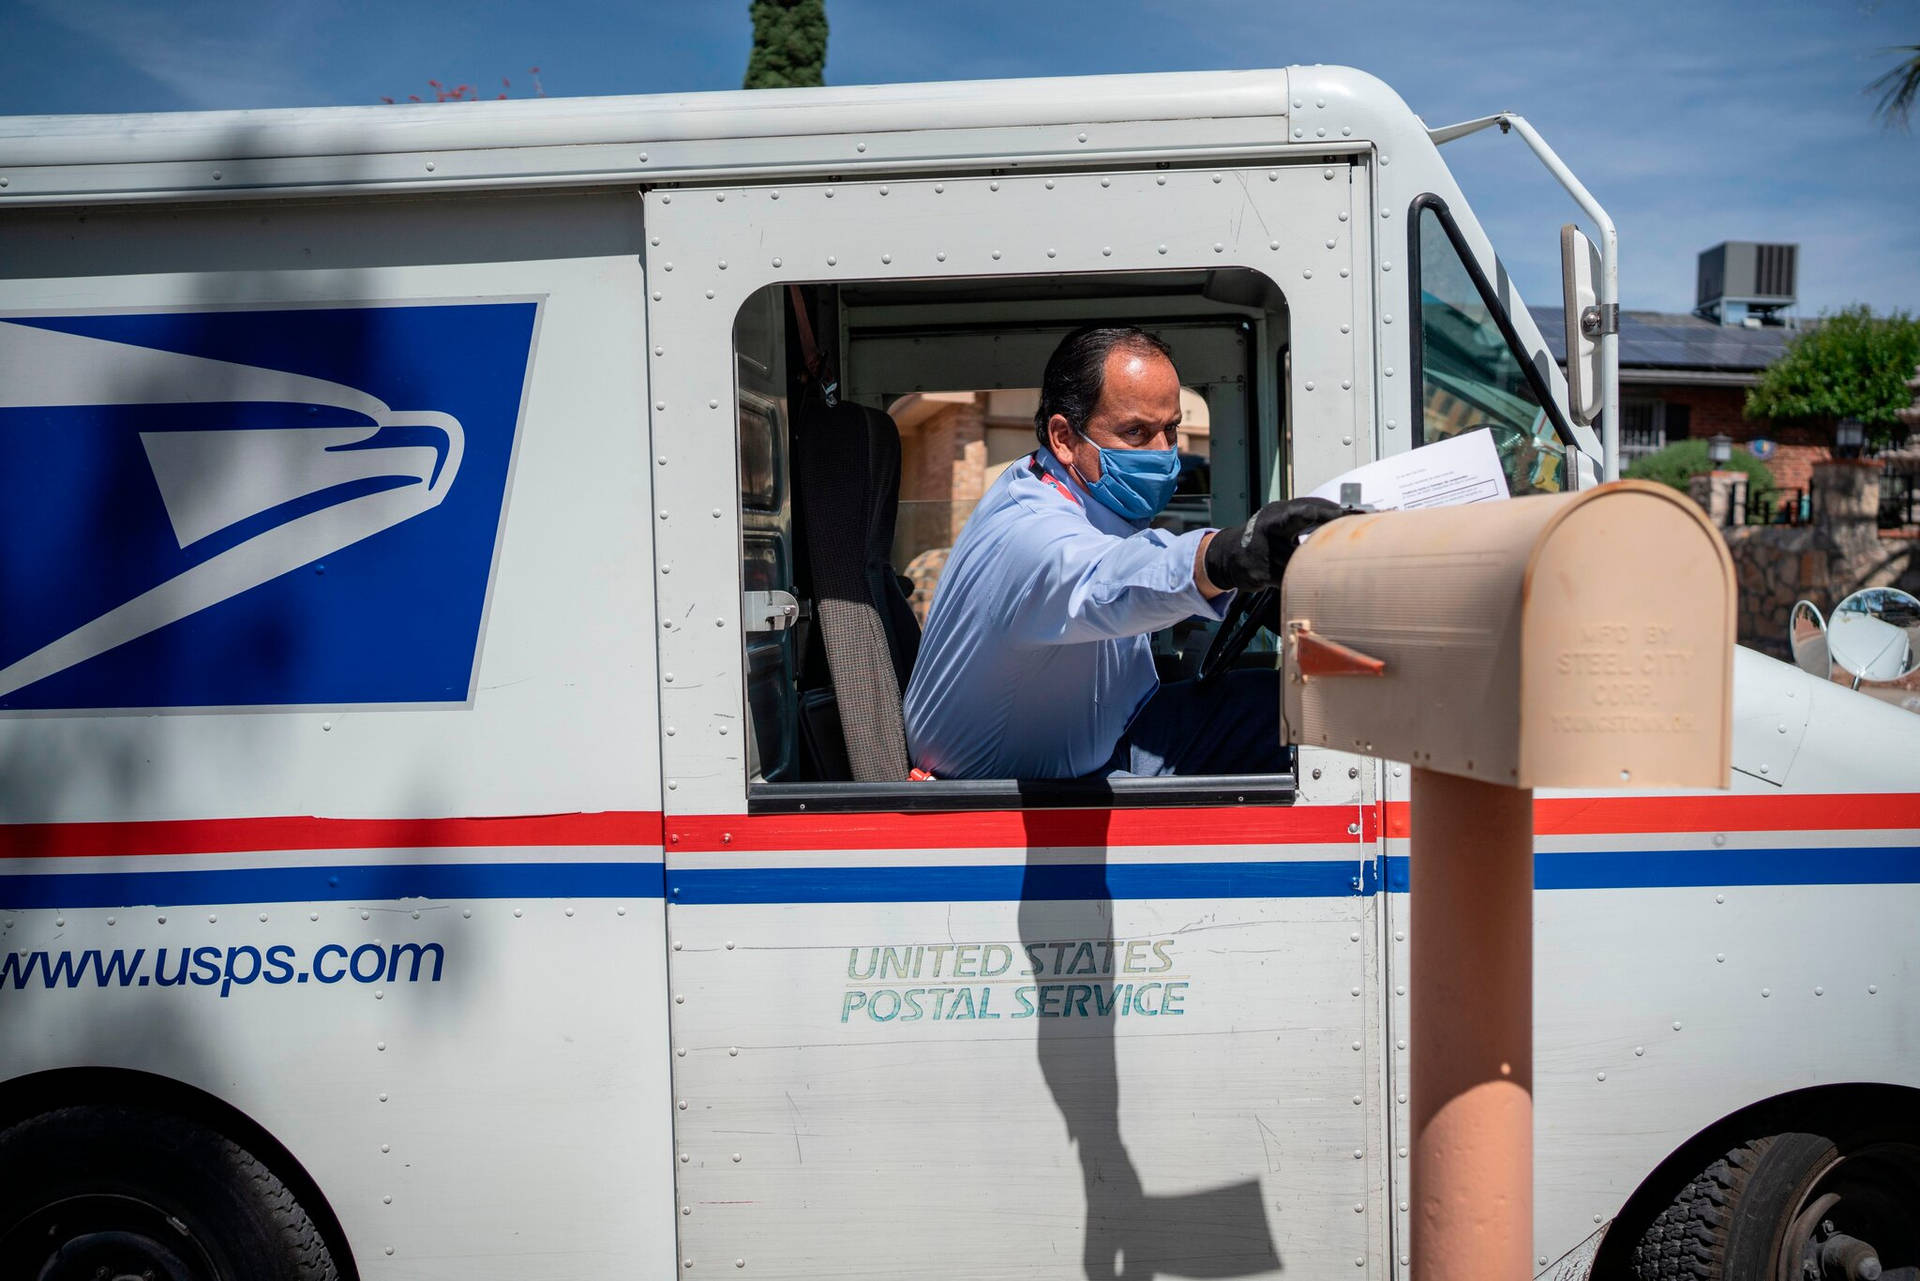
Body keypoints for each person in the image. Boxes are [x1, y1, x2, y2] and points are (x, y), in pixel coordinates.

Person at [903, 325, 1344, 780]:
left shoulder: (1063, 483)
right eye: (1136, 432)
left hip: (1113, 728)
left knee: (1291, 704)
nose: (1164, 454)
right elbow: (1106, 579)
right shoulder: (1029, 536)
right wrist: (1224, 557)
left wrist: (1247, 589)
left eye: (1170, 429)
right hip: (1029, 791)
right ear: (1064, 437)